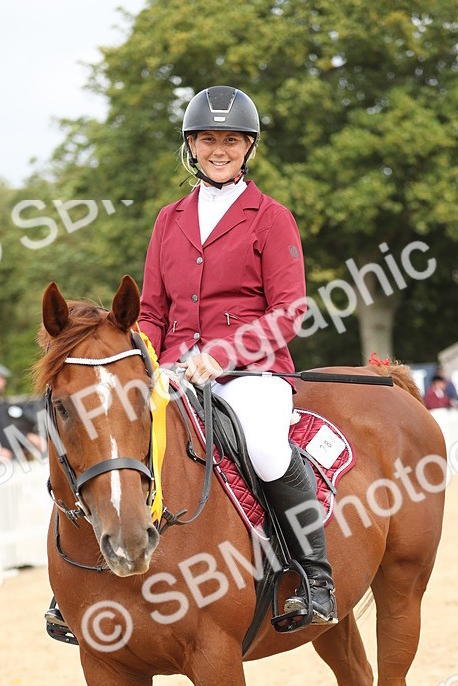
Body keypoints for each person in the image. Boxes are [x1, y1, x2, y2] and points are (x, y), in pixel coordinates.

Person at [139, 85, 336, 626]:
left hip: (252, 372)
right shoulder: (168, 219)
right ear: (191, 146)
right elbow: (152, 311)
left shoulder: (271, 217)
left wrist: (221, 356)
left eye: (230, 140)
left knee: (267, 450)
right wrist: (145, 362)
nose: (218, 150)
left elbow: (290, 310)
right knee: (116, 440)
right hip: (175, 370)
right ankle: (82, 585)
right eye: (207, 139)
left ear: (248, 147)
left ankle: (314, 575)